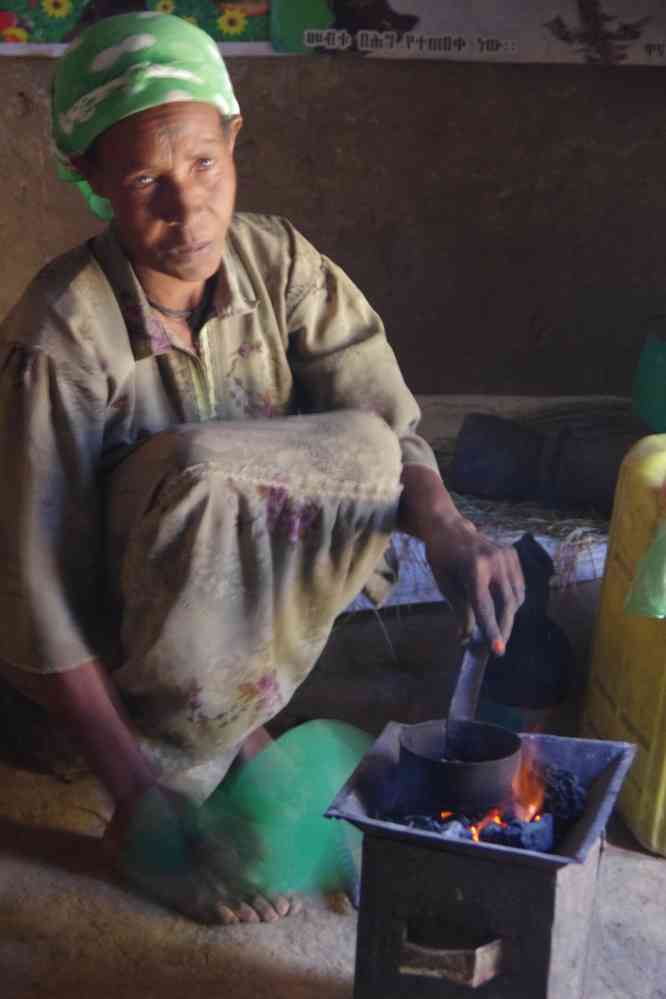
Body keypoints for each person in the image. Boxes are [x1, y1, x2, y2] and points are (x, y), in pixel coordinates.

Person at [0, 13, 524, 925]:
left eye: (204, 163)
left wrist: (450, 528)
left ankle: (240, 736)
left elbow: (389, 427)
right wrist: (136, 799)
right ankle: (166, 768)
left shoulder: (279, 262)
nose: (187, 207)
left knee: (362, 456)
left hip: (222, 629)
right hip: (117, 652)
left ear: (235, 137)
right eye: (143, 180)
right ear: (90, 182)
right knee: (208, 476)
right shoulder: (61, 338)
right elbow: (33, 592)